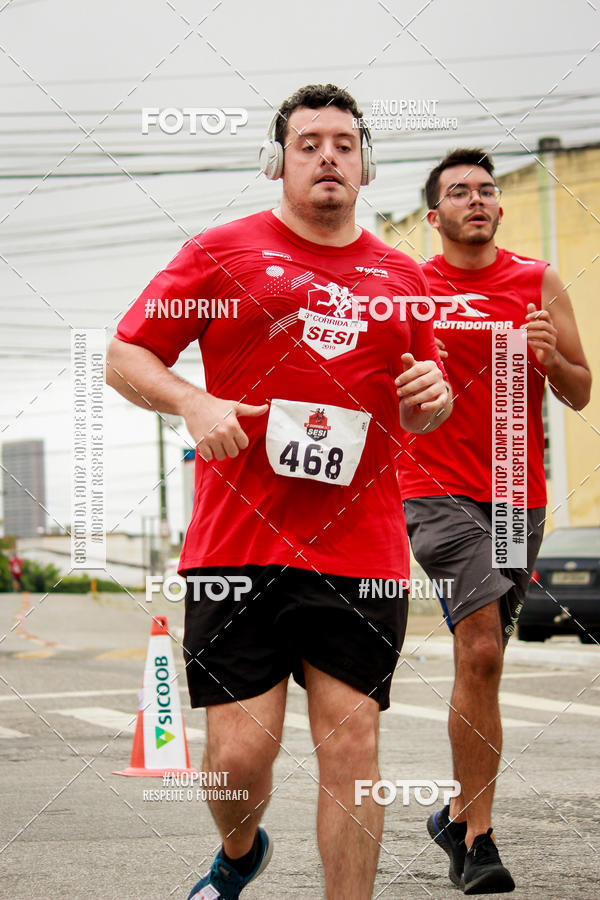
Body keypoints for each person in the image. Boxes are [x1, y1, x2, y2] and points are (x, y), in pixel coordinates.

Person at [106, 84, 451, 900]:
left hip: (359, 548)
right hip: (237, 545)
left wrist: (432, 398)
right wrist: (193, 401)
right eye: (308, 143)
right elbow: (126, 355)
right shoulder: (222, 253)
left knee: (353, 746)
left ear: (366, 163)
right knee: (237, 759)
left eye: (343, 142)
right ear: (278, 161)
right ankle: (240, 852)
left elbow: (422, 398)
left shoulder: (403, 277)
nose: (327, 155)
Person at [397, 148, 591, 894]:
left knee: (489, 658)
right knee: (478, 649)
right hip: (434, 485)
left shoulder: (535, 281)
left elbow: (579, 392)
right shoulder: (410, 285)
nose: (475, 200)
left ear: (499, 208)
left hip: (516, 488)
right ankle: (479, 842)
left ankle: (453, 812)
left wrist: (553, 361)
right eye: (458, 192)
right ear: (433, 214)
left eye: (485, 190)